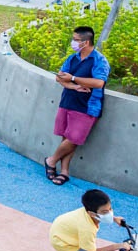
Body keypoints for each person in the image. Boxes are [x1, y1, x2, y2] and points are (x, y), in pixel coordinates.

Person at [44, 26, 109, 186]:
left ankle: (51, 161)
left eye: (76, 40)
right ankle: (65, 171)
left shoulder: (99, 60)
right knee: (66, 137)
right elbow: (60, 77)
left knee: (74, 139)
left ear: (86, 42)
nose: (73, 42)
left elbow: (99, 83)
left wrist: (73, 78)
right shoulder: (72, 58)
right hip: (68, 101)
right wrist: (73, 86)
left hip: (88, 106)